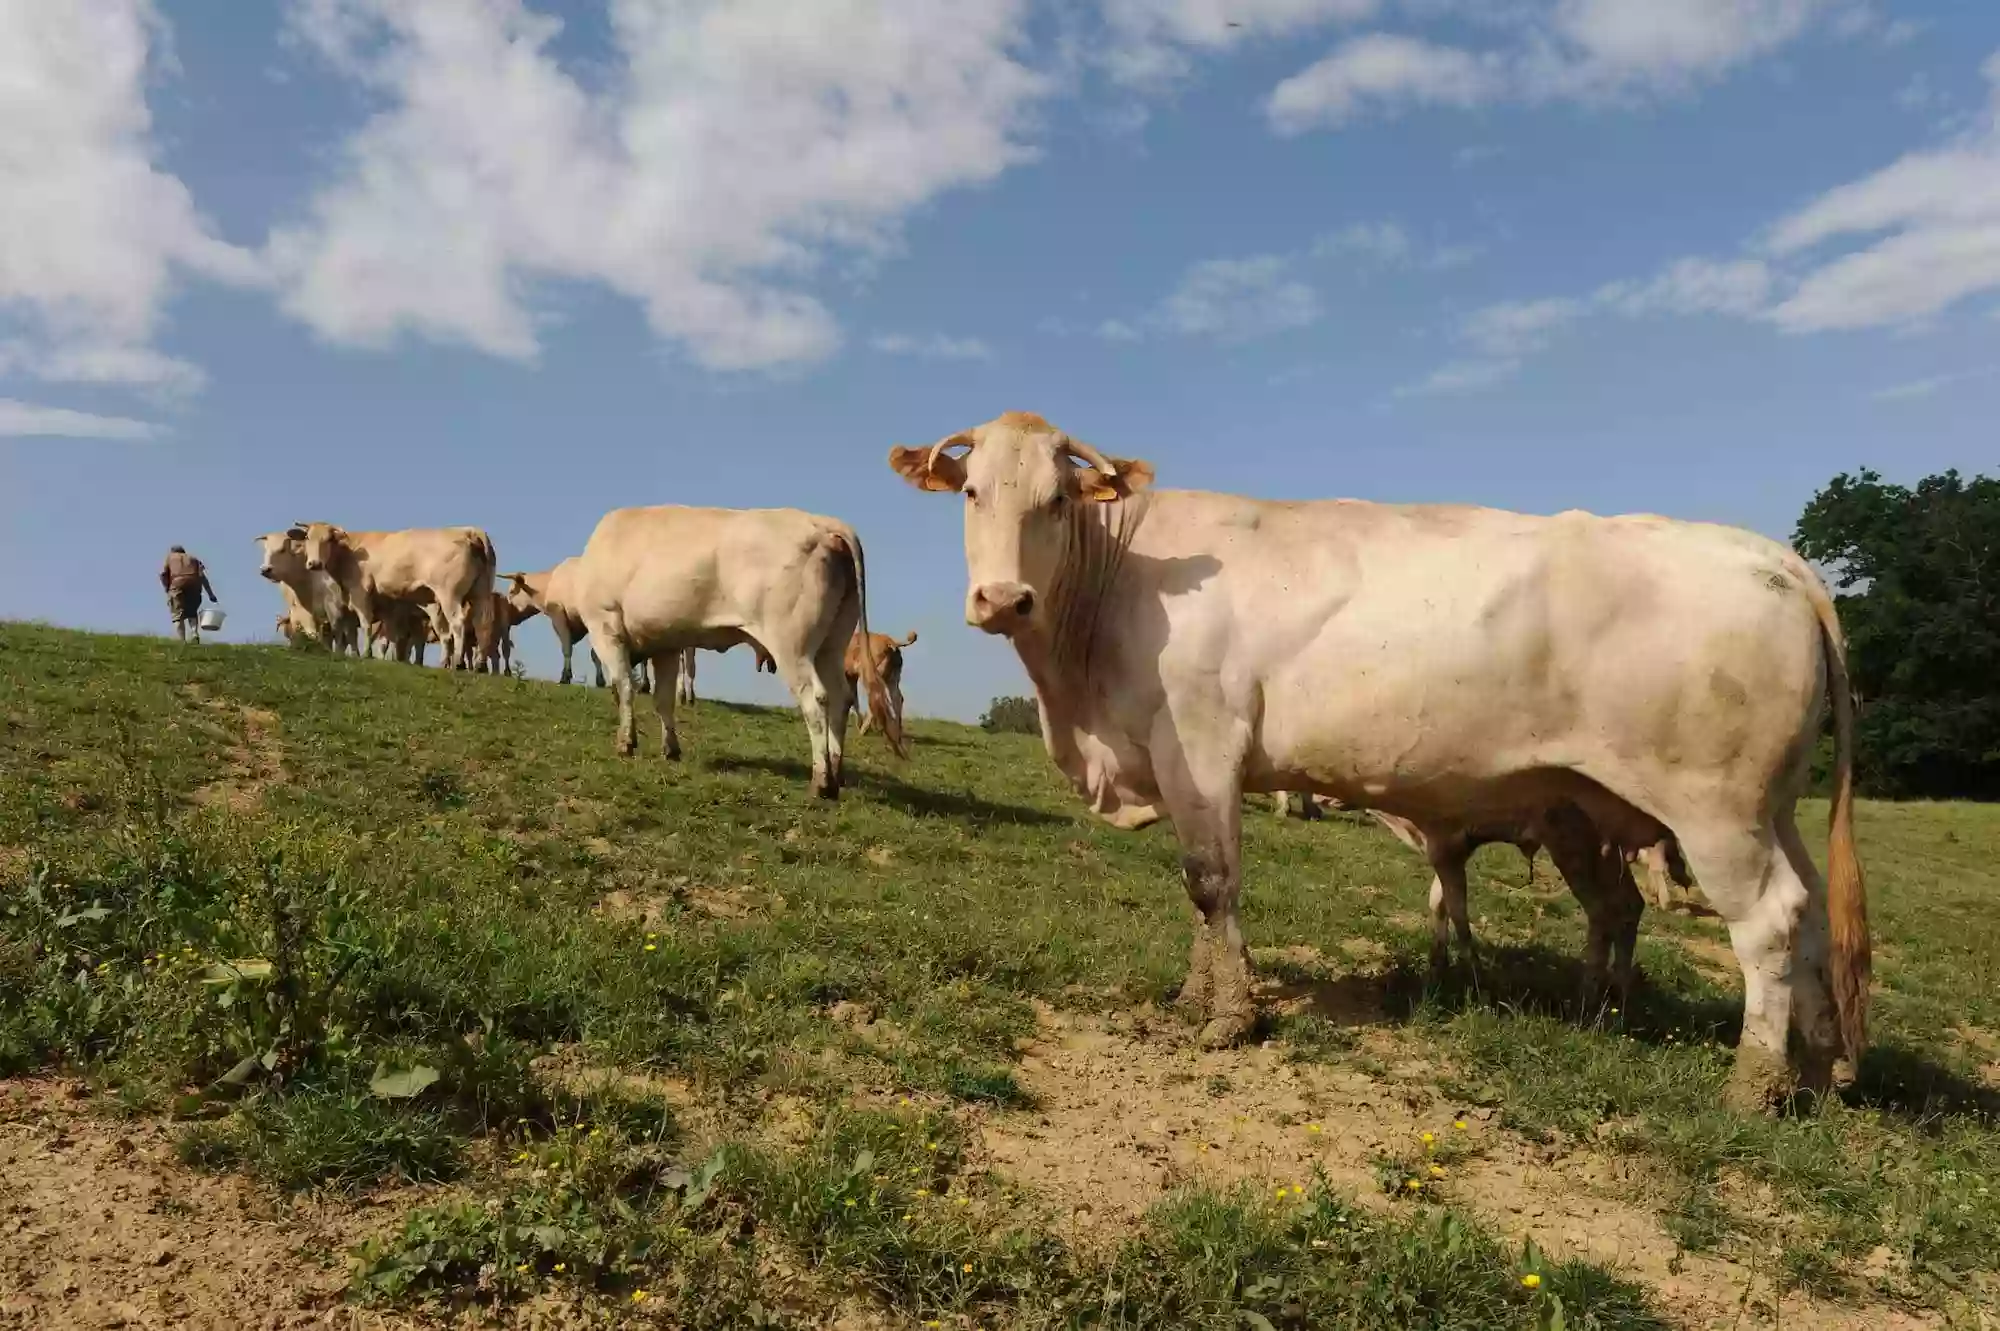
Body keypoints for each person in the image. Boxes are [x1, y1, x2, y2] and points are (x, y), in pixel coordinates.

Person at [159, 544, 218, 643]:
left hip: (177, 582)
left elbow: (163, 574)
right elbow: (202, 577)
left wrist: (167, 588)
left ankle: (182, 640)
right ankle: (194, 633)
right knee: (192, 612)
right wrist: (211, 594)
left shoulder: (170, 557)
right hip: (194, 583)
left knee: (177, 614)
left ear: (173, 552)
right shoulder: (193, 558)